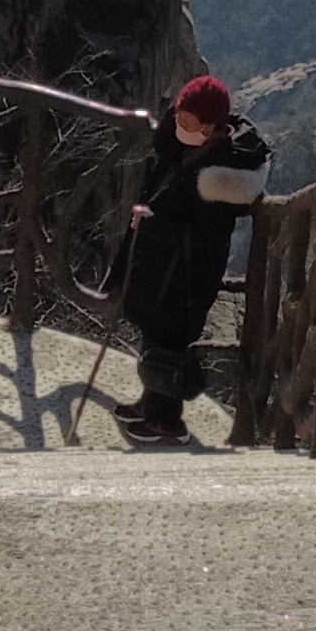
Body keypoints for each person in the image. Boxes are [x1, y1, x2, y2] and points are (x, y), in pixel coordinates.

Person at [116, 71, 269, 445]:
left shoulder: (220, 174)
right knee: (155, 333)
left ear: (212, 126)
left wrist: (154, 225)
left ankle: (167, 424)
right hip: (164, 264)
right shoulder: (188, 148)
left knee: (170, 338)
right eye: (179, 119)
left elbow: (205, 236)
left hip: (187, 273)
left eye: (188, 121)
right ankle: (149, 405)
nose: (180, 126)